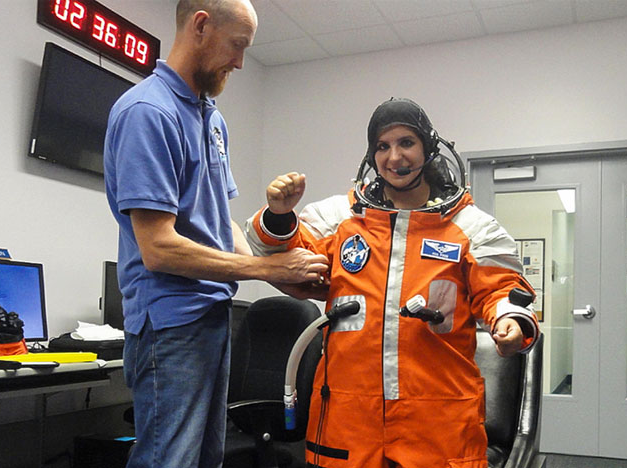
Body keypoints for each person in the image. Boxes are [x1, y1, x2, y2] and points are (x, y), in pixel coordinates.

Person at [245, 98, 541, 468]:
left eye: (406, 142)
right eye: (382, 146)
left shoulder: (470, 226)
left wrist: (509, 320)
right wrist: (278, 214)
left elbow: (500, 286)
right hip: (349, 416)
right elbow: (284, 255)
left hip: (437, 418)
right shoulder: (341, 218)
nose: (394, 156)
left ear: (427, 148)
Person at [103, 1, 329, 467]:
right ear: (201, 26)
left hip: (212, 316)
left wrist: (277, 275)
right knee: (170, 459)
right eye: (237, 46)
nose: (241, 62)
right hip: (169, 323)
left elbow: (220, 222)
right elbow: (158, 248)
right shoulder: (148, 112)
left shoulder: (211, 117)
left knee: (207, 458)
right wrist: (266, 268)